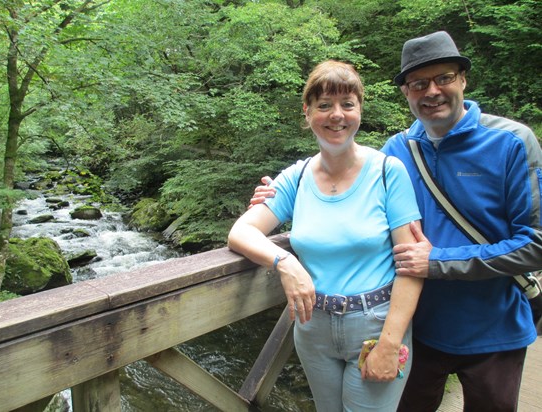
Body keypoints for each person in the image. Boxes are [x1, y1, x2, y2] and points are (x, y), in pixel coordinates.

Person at [251, 32, 542, 412]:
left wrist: (437, 262)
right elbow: (344, 181)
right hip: (416, 329)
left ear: (463, 79)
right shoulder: (398, 152)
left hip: (493, 328)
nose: (432, 91)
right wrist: (276, 193)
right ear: (406, 92)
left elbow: (536, 243)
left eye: (444, 78)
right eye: (419, 83)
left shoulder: (512, 142)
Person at [228, 60, 424, 412]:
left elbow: (411, 265)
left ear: (359, 110)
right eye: (324, 105)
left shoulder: (387, 172)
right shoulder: (296, 177)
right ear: (307, 113)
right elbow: (241, 231)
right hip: (312, 326)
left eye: (347, 104)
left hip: (376, 325)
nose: (337, 115)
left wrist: (390, 344)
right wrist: (284, 262)